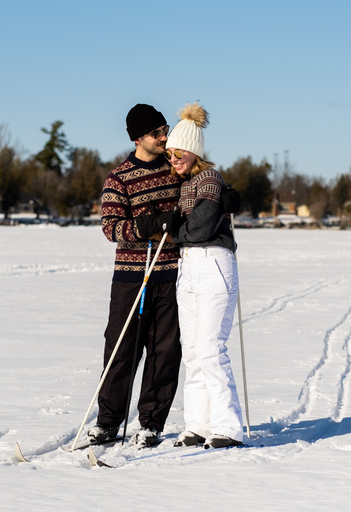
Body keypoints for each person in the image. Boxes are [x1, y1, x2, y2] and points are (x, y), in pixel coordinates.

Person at [90, 103, 183, 448]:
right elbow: (110, 228)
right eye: (156, 133)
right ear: (138, 138)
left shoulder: (175, 170)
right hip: (131, 276)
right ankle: (108, 421)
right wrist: (144, 226)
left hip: (170, 274)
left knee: (165, 352)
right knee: (120, 351)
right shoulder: (119, 177)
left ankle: (152, 423)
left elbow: (196, 195)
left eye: (165, 130)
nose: (164, 137)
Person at [166, 102, 244, 449]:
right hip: (189, 268)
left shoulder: (210, 179)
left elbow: (198, 228)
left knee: (212, 349)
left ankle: (227, 428)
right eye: (169, 154)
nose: (173, 159)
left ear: (193, 151)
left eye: (178, 153)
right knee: (193, 351)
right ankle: (197, 425)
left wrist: (171, 231)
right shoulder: (183, 184)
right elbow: (188, 230)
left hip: (214, 264)